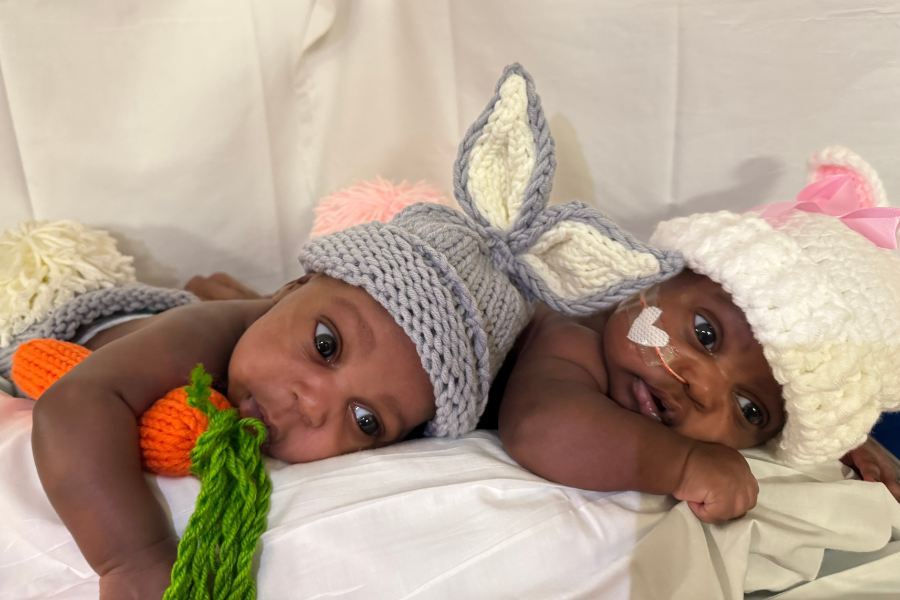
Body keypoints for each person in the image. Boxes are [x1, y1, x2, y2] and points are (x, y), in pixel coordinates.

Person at [0, 64, 684, 598]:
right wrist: (134, 558)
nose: (313, 404)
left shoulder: (323, 353)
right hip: (112, 326)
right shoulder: (208, 336)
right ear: (298, 286)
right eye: (325, 346)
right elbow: (76, 403)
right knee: (168, 315)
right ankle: (220, 293)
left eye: (365, 421)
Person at [497, 145, 900, 524]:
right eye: (705, 334)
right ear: (657, 278)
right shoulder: (576, 331)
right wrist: (682, 464)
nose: (703, 389)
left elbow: (795, 407)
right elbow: (539, 428)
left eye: (749, 409)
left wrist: (838, 437)